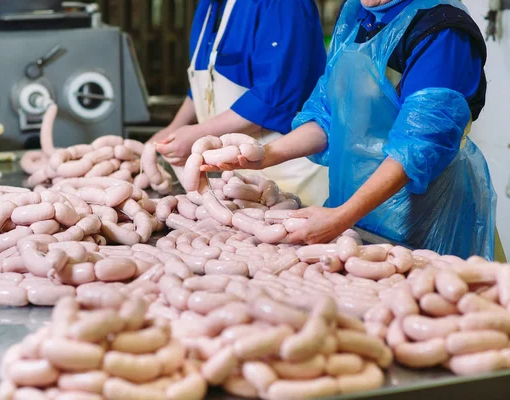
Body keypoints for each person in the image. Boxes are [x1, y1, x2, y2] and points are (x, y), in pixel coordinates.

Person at [202, 0, 497, 260]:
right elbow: (329, 116)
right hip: (356, 210)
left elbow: (417, 148)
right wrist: (265, 154)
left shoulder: (441, 30)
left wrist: (341, 217)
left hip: (425, 216)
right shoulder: (358, 15)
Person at [148, 0, 330, 207]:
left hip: (290, 172)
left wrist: (198, 133)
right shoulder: (210, 6)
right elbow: (203, 85)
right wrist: (173, 129)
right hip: (238, 176)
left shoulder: (283, 4)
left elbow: (270, 99)